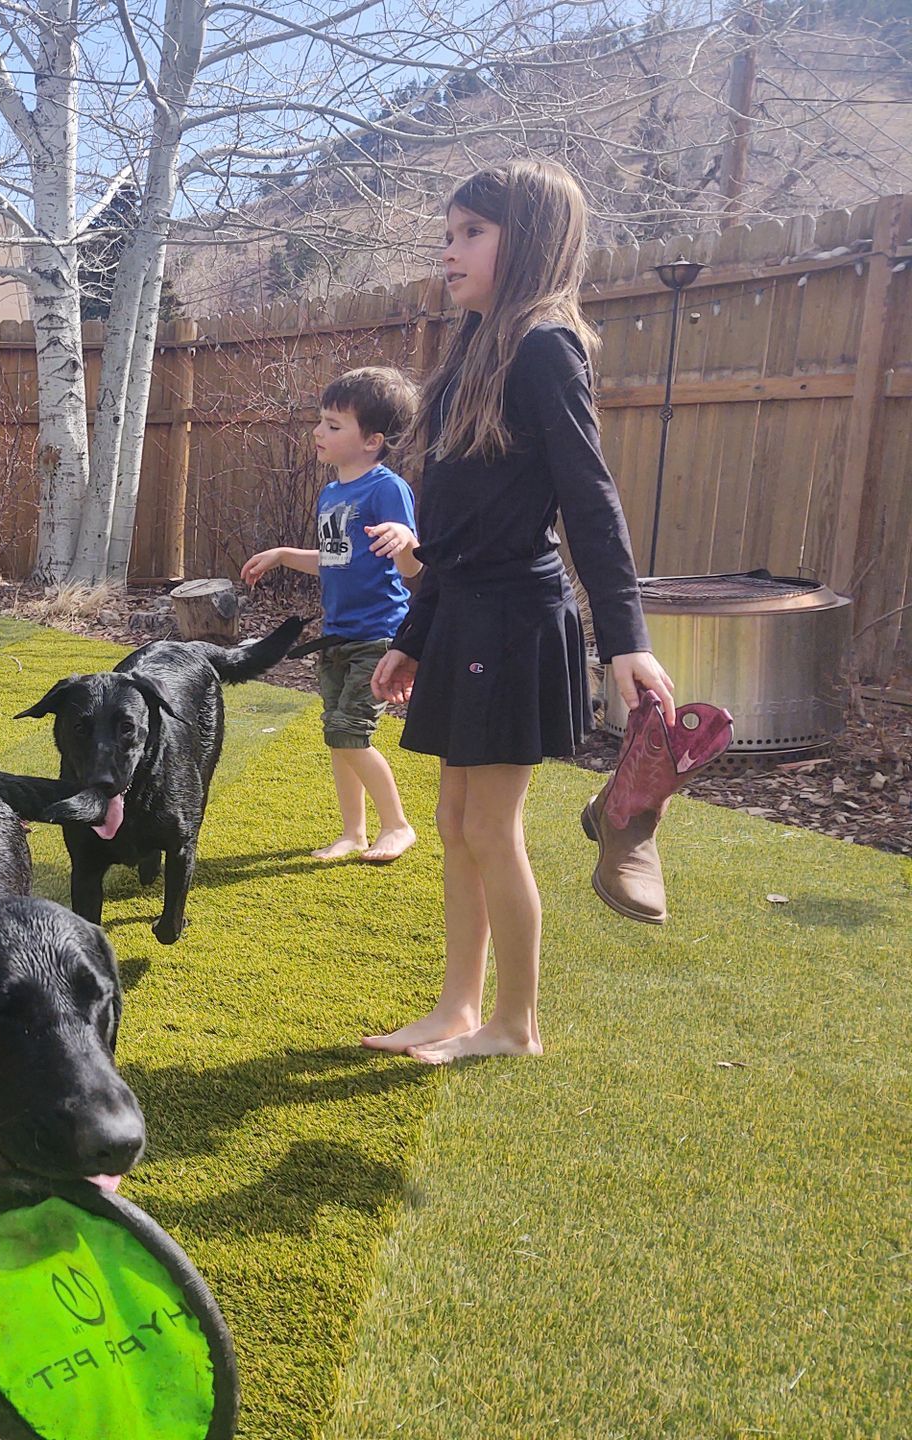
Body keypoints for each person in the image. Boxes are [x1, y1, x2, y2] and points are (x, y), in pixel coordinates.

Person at [362, 159, 676, 1064]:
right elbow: (455, 526)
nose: (448, 250)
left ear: (527, 241)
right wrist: (415, 636)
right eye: (448, 231)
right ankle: (459, 1009)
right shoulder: (474, 347)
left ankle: (515, 1023)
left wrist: (626, 640)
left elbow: (590, 497)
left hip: (517, 621)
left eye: (471, 233)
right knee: (458, 820)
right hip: (465, 614)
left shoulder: (545, 346)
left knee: (488, 827)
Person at [242, 367, 421, 864]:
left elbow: (410, 566)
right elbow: (333, 559)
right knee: (339, 737)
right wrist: (282, 554)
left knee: (350, 731)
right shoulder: (332, 493)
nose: (319, 433)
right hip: (338, 634)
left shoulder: (387, 489)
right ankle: (354, 832)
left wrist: (408, 543)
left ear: (373, 440)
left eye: (334, 425)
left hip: (379, 635)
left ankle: (398, 825)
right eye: (321, 422)